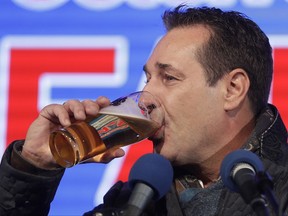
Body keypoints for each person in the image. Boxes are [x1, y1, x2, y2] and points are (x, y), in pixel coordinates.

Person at [1, 4, 287, 216]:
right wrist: (33, 167)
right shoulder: (134, 203)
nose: (147, 97)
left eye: (169, 78)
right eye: (148, 78)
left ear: (233, 89)